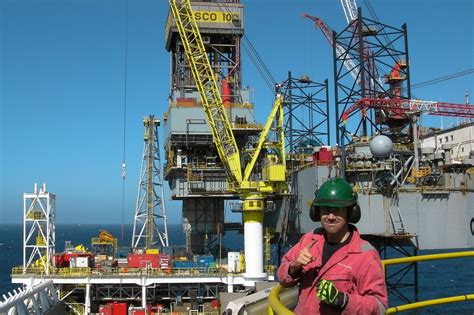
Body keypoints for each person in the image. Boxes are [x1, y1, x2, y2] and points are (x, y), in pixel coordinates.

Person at [277, 178, 388, 314]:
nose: (330, 216)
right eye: (325, 209)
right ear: (316, 212)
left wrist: (343, 300)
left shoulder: (365, 254)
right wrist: (294, 267)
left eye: (337, 210)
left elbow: (379, 307)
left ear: (350, 212)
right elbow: (282, 278)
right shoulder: (309, 240)